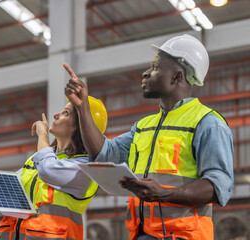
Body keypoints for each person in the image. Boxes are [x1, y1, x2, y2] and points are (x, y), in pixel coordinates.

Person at [64, 34, 234, 240]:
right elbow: (103, 154)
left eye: (155, 67)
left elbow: (218, 186)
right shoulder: (143, 127)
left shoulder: (207, 123)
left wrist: (164, 194)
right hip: (142, 234)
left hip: (184, 236)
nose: (145, 73)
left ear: (177, 76)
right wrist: (82, 108)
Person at [0, 97, 108, 240]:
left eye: (65, 113)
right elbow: (6, 192)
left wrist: (43, 136)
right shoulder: (37, 160)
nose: (56, 115)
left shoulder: (86, 168)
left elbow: (49, 171)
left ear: (82, 126)